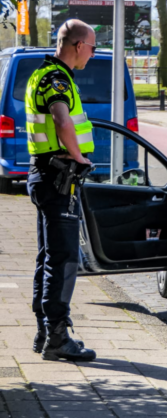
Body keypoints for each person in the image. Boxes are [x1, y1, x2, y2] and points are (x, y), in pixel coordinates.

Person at [26, 19, 97, 362]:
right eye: (93, 48)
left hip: (44, 175)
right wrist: (79, 157)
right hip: (58, 178)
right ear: (79, 45)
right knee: (64, 258)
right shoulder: (57, 78)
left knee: (48, 256)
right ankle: (56, 336)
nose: (93, 54)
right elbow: (61, 118)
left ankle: (45, 331)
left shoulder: (42, 73)